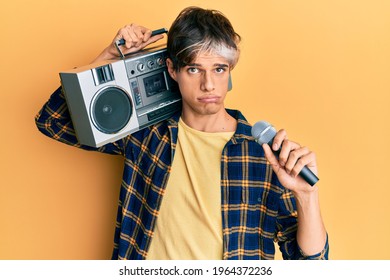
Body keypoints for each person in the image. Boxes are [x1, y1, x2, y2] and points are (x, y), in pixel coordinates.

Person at [35, 6, 329, 260]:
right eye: (193, 69)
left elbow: (309, 262)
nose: (208, 85)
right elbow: (53, 121)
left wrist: (307, 196)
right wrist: (111, 55)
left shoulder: (264, 152)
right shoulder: (146, 135)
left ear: (230, 71)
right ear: (172, 69)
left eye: (218, 69)